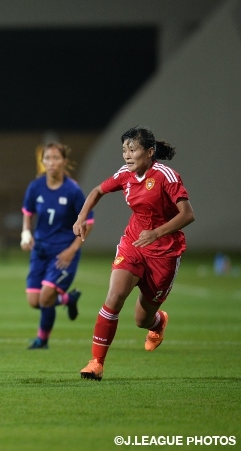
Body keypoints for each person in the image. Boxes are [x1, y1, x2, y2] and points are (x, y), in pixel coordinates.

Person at [73, 125, 195, 381]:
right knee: (115, 296)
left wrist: (157, 233)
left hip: (165, 252)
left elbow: (187, 215)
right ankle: (96, 363)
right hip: (134, 244)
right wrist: (82, 216)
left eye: (133, 149)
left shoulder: (166, 176)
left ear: (150, 152)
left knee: (142, 319)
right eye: (124, 150)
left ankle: (158, 322)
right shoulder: (125, 174)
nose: (127, 155)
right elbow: (97, 191)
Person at [21, 143, 94, 349]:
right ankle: (67, 299)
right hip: (40, 251)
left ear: (64, 161)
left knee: (45, 297)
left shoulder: (73, 190)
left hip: (63, 252)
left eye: (55, 158)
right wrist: (26, 233)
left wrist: (72, 250)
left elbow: (88, 222)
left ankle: (42, 340)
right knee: (34, 301)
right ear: (42, 161)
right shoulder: (36, 186)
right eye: (47, 158)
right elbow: (28, 212)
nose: (51, 162)